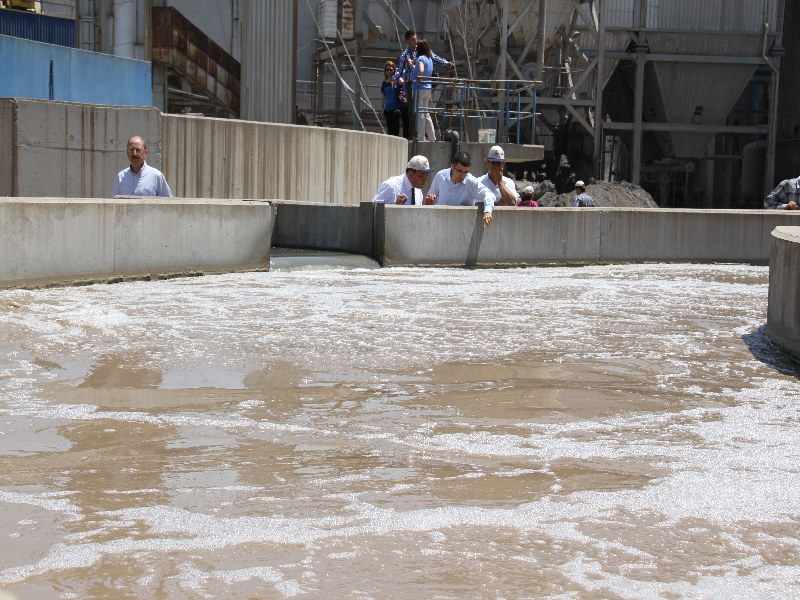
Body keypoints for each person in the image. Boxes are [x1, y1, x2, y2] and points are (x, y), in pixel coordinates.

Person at [393, 30, 453, 141]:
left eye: (416, 38)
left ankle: (420, 137)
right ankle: (419, 136)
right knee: (416, 112)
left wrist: (445, 63)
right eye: (413, 39)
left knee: (420, 112)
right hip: (413, 84)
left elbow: (434, 58)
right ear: (407, 41)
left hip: (418, 84)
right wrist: (395, 78)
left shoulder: (421, 53)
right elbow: (399, 70)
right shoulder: (405, 55)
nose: (415, 41)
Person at [425, 151, 495, 227]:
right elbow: (431, 199)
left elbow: (489, 195)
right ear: (452, 166)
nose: (462, 175)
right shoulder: (440, 176)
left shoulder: (471, 182)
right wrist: (429, 202)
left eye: (466, 172)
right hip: (440, 224)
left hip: (461, 227)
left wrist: (488, 211)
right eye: (459, 171)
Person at [412, 39, 436, 142]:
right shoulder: (429, 59)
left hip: (420, 88)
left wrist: (418, 79)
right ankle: (432, 137)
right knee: (426, 113)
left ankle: (421, 138)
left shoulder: (421, 58)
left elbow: (421, 70)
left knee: (420, 114)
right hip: (428, 89)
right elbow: (424, 70)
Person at [381, 61, 403, 137]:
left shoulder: (396, 81)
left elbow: (402, 81)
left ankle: (397, 138)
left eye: (391, 69)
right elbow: (383, 96)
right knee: (390, 129)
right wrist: (382, 109)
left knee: (396, 117)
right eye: (387, 70)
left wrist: (397, 72)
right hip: (388, 108)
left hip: (397, 107)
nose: (389, 71)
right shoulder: (384, 83)